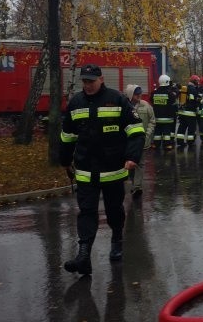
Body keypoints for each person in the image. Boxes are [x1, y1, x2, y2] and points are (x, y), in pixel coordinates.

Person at [59, 64, 146, 274]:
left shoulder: (117, 99)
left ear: (101, 79)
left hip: (113, 169)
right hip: (86, 169)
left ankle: (116, 240)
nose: (88, 85)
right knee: (86, 211)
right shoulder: (76, 102)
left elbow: (136, 130)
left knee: (113, 210)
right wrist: (64, 160)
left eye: (91, 81)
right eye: (85, 81)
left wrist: (132, 157)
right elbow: (67, 135)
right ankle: (84, 256)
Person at [124, 83, 156, 197]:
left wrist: (147, 134)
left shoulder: (146, 105)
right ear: (130, 95)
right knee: (130, 163)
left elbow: (152, 120)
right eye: (136, 94)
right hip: (128, 142)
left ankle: (137, 187)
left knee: (140, 164)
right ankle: (133, 183)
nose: (139, 96)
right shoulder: (124, 106)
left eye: (140, 94)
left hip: (143, 142)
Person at [151, 74, 178, 150]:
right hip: (167, 118)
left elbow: (151, 100)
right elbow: (173, 101)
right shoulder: (170, 94)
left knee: (157, 132)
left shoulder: (154, 93)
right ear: (167, 82)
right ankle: (167, 145)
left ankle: (156, 144)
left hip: (157, 118)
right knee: (167, 132)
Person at [176, 75, 200, 148]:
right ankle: (190, 142)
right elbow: (192, 100)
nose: (198, 83)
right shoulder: (193, 89)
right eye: (197, 81)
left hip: (182, 112)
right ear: (194, 81)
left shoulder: (185, 88)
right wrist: (198, 101)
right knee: (191, 129)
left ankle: (180, 141)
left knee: (182, 127)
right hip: (190, 113)